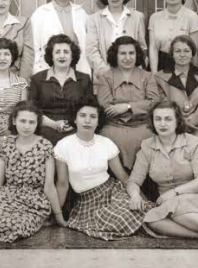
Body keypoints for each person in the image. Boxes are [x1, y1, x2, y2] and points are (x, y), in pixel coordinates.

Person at [126, 101, 198, 252]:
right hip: (168, 204)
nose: (162, 124)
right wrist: (135, 195)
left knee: (174, 205)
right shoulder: (147, 146)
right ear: (152, 122)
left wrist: (174, 193)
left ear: (177, 121)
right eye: (158, 119)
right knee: (151, 220)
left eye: (168, 119)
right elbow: (134, 181)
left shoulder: (194, 142)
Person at [54, 96, 148, 240]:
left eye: (93, 117)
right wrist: (56, 215)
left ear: (98, 121)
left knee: (139, 210)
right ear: (75, 119)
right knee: (120, 220)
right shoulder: (63, 145)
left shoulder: (106, 143)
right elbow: (62, 184)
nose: (87, 120)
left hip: (113, 192)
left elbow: (123, 177)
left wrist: (141, 198)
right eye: (82, 115)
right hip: (88, 202)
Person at [0, 101, 65, 242]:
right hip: (7, 197)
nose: (27, 126)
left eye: (31, 122)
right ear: (14, 121)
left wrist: (58, 216)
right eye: (22, 121)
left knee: (13, 226)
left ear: (37, 124)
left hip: (34, 202)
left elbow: (49, 186)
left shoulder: (45, 146)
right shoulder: (7, 146)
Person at [95, 36, 160, 170]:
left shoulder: (148, 76)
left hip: (143, 126)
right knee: (106, 141)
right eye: (123, 53)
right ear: (115, 55)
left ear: (137, 55)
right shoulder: (105, 78)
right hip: (114, 126)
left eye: (131, 53)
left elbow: (154, 102)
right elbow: (105, 106)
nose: (128, 57)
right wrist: (141, 106)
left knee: (152, 141)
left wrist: (128, 107)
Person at [29, 34, 94, 145]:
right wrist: (54, 124)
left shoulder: (84, 79)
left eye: (66, 52)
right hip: (45, 128)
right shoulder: (37, 79)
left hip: (76, 129)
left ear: (72, 56)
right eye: (57, 52)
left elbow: (90, 108)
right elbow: (32, 110)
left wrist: (74, 123)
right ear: (51, 55)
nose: (62, 56)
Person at [154, 35, 198, 151]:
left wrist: (191, 121)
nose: (182, 55)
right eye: (178, 51)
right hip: (171, 124)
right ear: (172, 54)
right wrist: (179, 123)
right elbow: (163, 104)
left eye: (186, 51)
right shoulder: (159, 77)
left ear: (192, 53)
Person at [30, 0, 91, 76]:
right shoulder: (40, 13)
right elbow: (34, 46)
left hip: (76, 70)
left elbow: (88, 45)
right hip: (48, 70)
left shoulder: (81, 13)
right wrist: (38, 71)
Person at [86, 0, 147, 76]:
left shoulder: (137, 17)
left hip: (133, 75)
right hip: (104, 75)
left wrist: (135, 71)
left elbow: (142, 49)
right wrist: (104, 70)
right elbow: (91, 50)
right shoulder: (94, 19)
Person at [148, 0, 198, 73]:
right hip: (160, 65)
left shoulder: (192, 17)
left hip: (184, 66)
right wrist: (154, 73)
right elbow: (153, 48)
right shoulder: (154, 18)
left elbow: (194, 51)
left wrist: (193, 74)